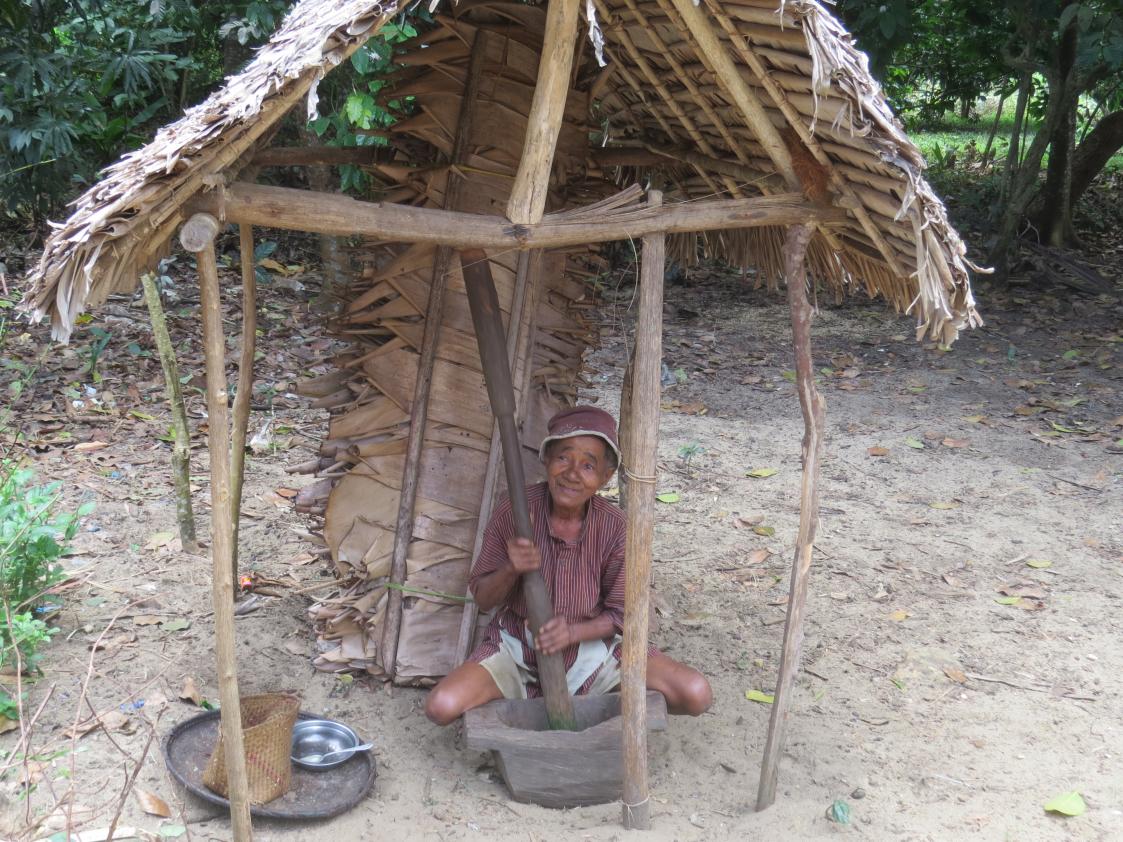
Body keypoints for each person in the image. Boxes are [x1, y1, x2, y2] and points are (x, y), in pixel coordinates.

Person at [425, 405, 712, 726]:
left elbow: (623, 616)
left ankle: (592, 700)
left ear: (605, 477)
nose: (573, 473)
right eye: (563, 458)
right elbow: (483, 598)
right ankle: (529, 699)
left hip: (594, 653)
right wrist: (510, 568)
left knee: (695, 693)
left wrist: (572, 632)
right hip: (518, 650)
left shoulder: (616, 528)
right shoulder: (515, 511)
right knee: (442, 706)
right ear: (546, 460)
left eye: (588, 465)